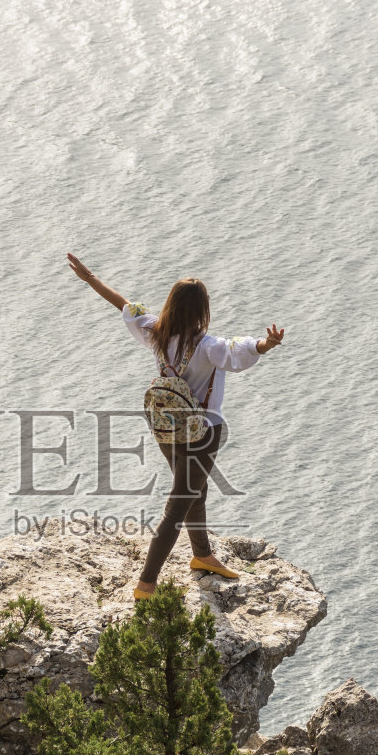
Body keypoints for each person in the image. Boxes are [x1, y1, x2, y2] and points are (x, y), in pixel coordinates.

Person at [66, 252, 284, 600]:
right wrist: (267, 344)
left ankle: (202, 556)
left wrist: (90, 277)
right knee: (176, 510)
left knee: (195, 493)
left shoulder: (155, 332)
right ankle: (146, 586)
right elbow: (241, 350)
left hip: (166, 428)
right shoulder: (209, 347)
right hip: (202, 434)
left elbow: (123, 304)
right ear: (201, 311)